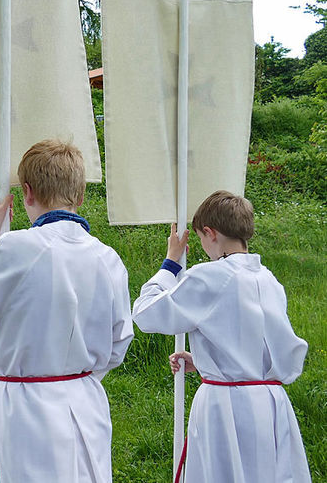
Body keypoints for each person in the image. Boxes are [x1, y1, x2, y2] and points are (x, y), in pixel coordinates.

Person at [0, 140, 133, 483]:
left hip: (30, 407)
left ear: (26, 192)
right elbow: (118, 343)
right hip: (87, 399)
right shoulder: (108, 258)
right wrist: (72, 370)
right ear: (81, 194)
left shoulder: (17, 248)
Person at [132, 190, 310, 482]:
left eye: (201, 240)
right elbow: (253, 342)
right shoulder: (269, 279)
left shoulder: (210, 276)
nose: (203, 248)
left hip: (227, 408)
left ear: (209, 233)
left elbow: (145, 313)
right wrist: (205, 361)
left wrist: (171, 263)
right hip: (271, 403)